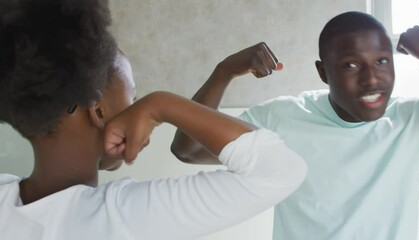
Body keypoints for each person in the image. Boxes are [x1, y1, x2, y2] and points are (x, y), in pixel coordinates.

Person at [0, 1, 307, 239]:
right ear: (98, 110)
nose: (140, 108)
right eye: (135, 98)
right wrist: (161, 104)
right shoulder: (122, 217)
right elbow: (280, 171)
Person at [171, 11, 419, 239]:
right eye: (351, 65)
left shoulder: (418, 120)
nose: (371, 78)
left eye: (382, 61)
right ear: (323, 72)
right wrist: (224, 71)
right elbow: (189, 149)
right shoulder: (281, 119)